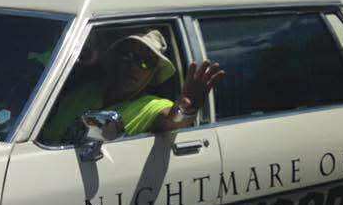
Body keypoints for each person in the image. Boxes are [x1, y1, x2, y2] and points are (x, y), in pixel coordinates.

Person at [40, 29, 224, 143]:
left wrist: (188, 108)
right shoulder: (85, 91)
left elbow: (173, 118)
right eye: (129, 56)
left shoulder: (151, 106)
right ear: (116, 60)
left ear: (153, 74)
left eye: (146, 62)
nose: (134, 66)